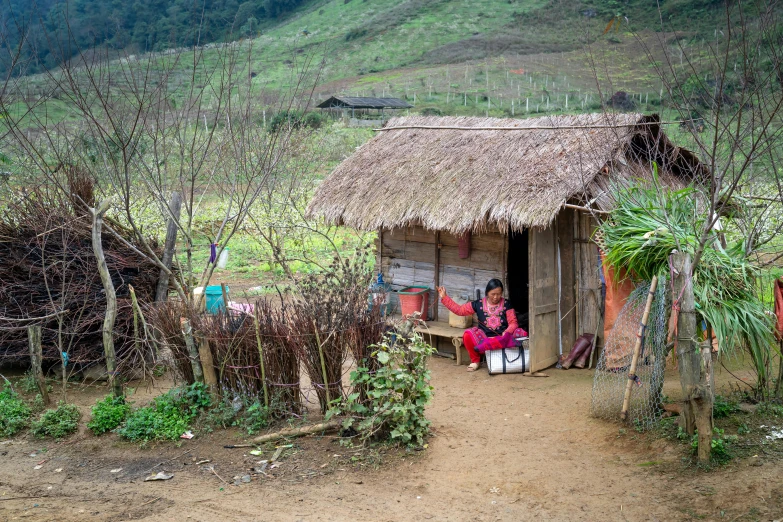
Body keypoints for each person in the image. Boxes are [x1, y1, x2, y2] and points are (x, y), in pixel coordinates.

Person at [437, 279, 527, 372]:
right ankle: (475, 361)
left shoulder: (507, 304)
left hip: (503, 339)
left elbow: (513, 323)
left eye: (499, 294)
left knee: (521, 333)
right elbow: (460, 310)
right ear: (487, 292)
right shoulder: (478, 304)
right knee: (467, 335)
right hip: (484, 340)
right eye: (493, 294)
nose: (496, 297)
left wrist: (507, 332)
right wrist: (445, 297)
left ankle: (515, 359)